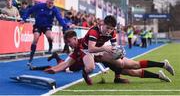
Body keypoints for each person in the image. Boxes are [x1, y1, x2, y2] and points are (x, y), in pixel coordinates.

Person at [45, 30, 174, 85]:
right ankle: (159, 75)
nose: (69, 45)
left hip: (112, 59)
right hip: (109, 63)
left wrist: (112, 50)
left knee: (134, 66)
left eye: (69, 42)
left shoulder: (85, 42)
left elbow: (97, 49)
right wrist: (54, 70)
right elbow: (66, 63)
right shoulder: (77, 50)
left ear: (74, 38)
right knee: (134, 72)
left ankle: (162, 64)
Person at [21, 0, 74, 67]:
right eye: (49, 3)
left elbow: (60, 19)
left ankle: (50, 45)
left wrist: (65, 25)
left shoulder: (55, 9)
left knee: (49, 36)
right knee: (35, 38)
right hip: (38, 25)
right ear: (46, 2)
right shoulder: (39, 6)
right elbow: (30, 10)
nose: (50, 5)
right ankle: (30, 59)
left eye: (52, 3)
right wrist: (24, 18)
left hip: (47, 26)